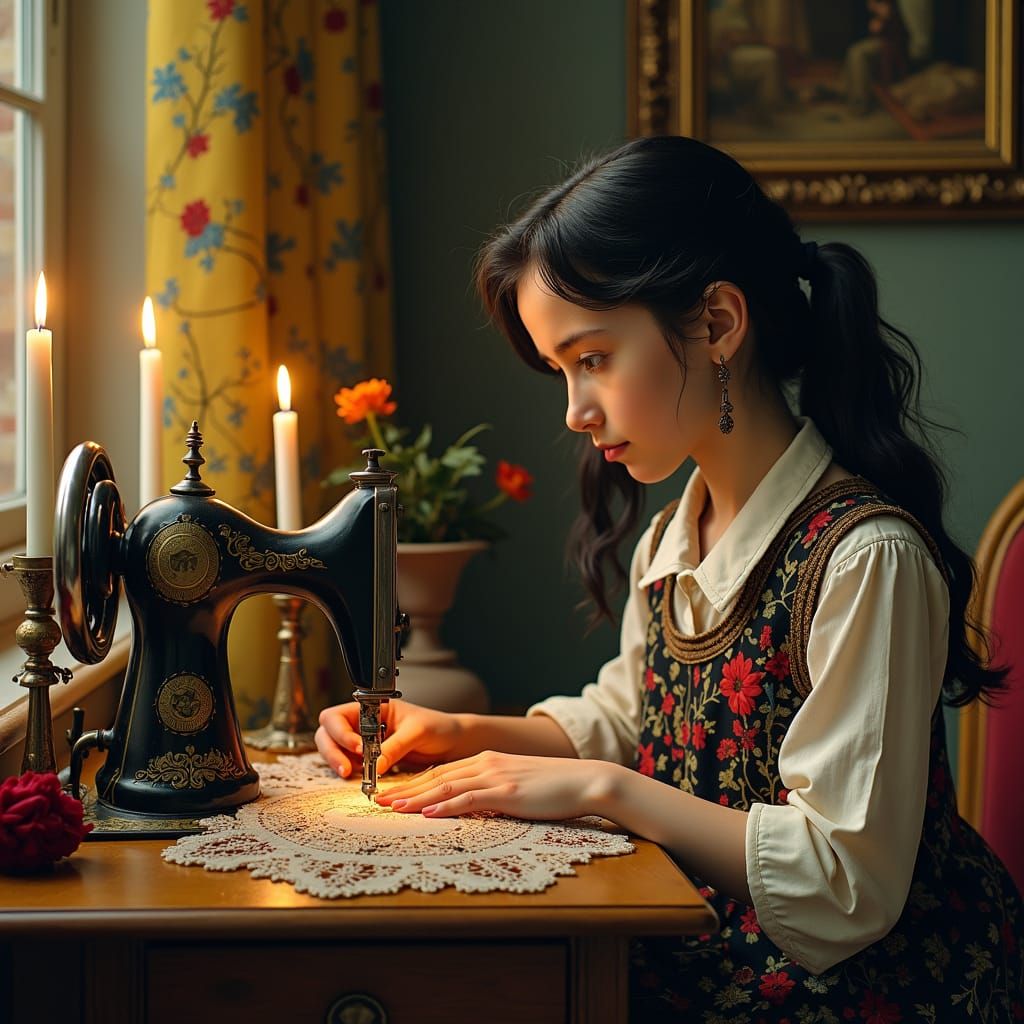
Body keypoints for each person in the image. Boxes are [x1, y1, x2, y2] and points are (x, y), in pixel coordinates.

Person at [316, 136, 1023, 1021]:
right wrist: (452, 730)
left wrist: (603, 792)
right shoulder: (674, 536)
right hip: (711, 930)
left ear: (719, 322)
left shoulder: (864, 558)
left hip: (871, 986)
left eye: (593, 358)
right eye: (561, 370)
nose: (574, 410)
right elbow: (630, 718)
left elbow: (844, 882)